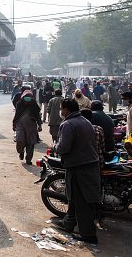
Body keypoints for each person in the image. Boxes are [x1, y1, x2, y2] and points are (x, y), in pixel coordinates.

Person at [52, 97, 100, 244]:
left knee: (81, 201)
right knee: (73, 198)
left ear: (66, 110)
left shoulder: (68, 124)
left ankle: (88, 234)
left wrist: (54, 147)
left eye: (61, 109)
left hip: (79, 167)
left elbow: (63, 147)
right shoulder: (85, 121)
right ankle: (69, 223)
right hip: (90, 165)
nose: (61, 111)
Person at [12, 90, 42, 165]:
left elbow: (37, 115)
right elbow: (16, 115)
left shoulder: (34, 105)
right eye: (26, 97)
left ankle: (28, 159)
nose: (28, 98)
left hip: (31, 127)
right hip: (20, 126)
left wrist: (39, 125)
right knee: (20, 141)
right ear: (23, 97)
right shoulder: (19, 104)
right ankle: (21, 152)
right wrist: (14, 124)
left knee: (31, 143)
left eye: (29, 97)